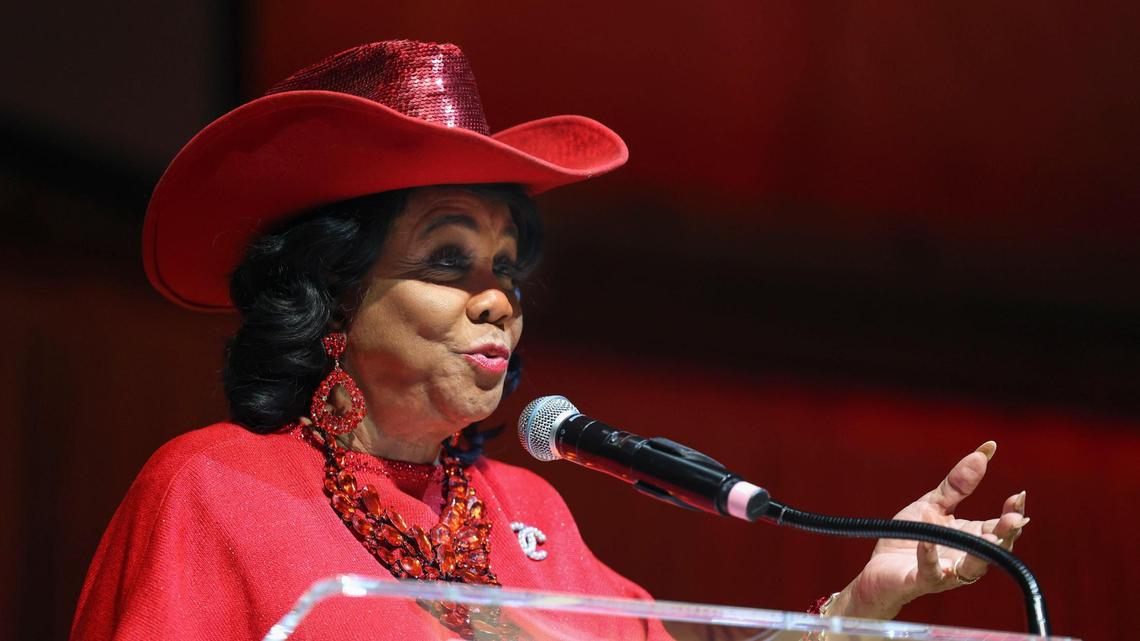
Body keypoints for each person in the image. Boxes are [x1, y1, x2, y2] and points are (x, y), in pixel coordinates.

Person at [71, 40, 1029, 641]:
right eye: (450, 261)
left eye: (507, 269)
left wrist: (868, 598)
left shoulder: (527, 511)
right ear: (332, 292)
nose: (499, 300)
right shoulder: (211, 489)